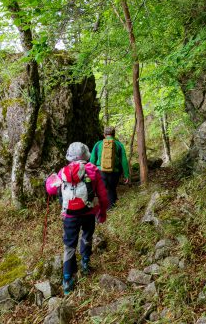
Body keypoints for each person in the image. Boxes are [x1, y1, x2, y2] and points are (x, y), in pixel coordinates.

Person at [45, 142, 109, 295]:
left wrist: (48, 180)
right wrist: (102, 211)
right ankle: (85, 264)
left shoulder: (63, 172)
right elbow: (103, 195)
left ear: (70, 156)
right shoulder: (93, 170)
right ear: (85, 155)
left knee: (69, 244)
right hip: (88, 212)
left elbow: (50, 189)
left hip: (70, 215)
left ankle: (67, 280)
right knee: (87, 236)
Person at [90, 126, 129, 208]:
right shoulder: (119, 144)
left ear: (104, 134)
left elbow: (92, 159)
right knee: (112, 189)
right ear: (114, 134)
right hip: (115, 171)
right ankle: (111, 206)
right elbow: (124, 161)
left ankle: (103, 208)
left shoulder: (98, 144)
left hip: (101, 171)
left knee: (102, 189)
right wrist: (126, 174)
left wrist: (90, 173)